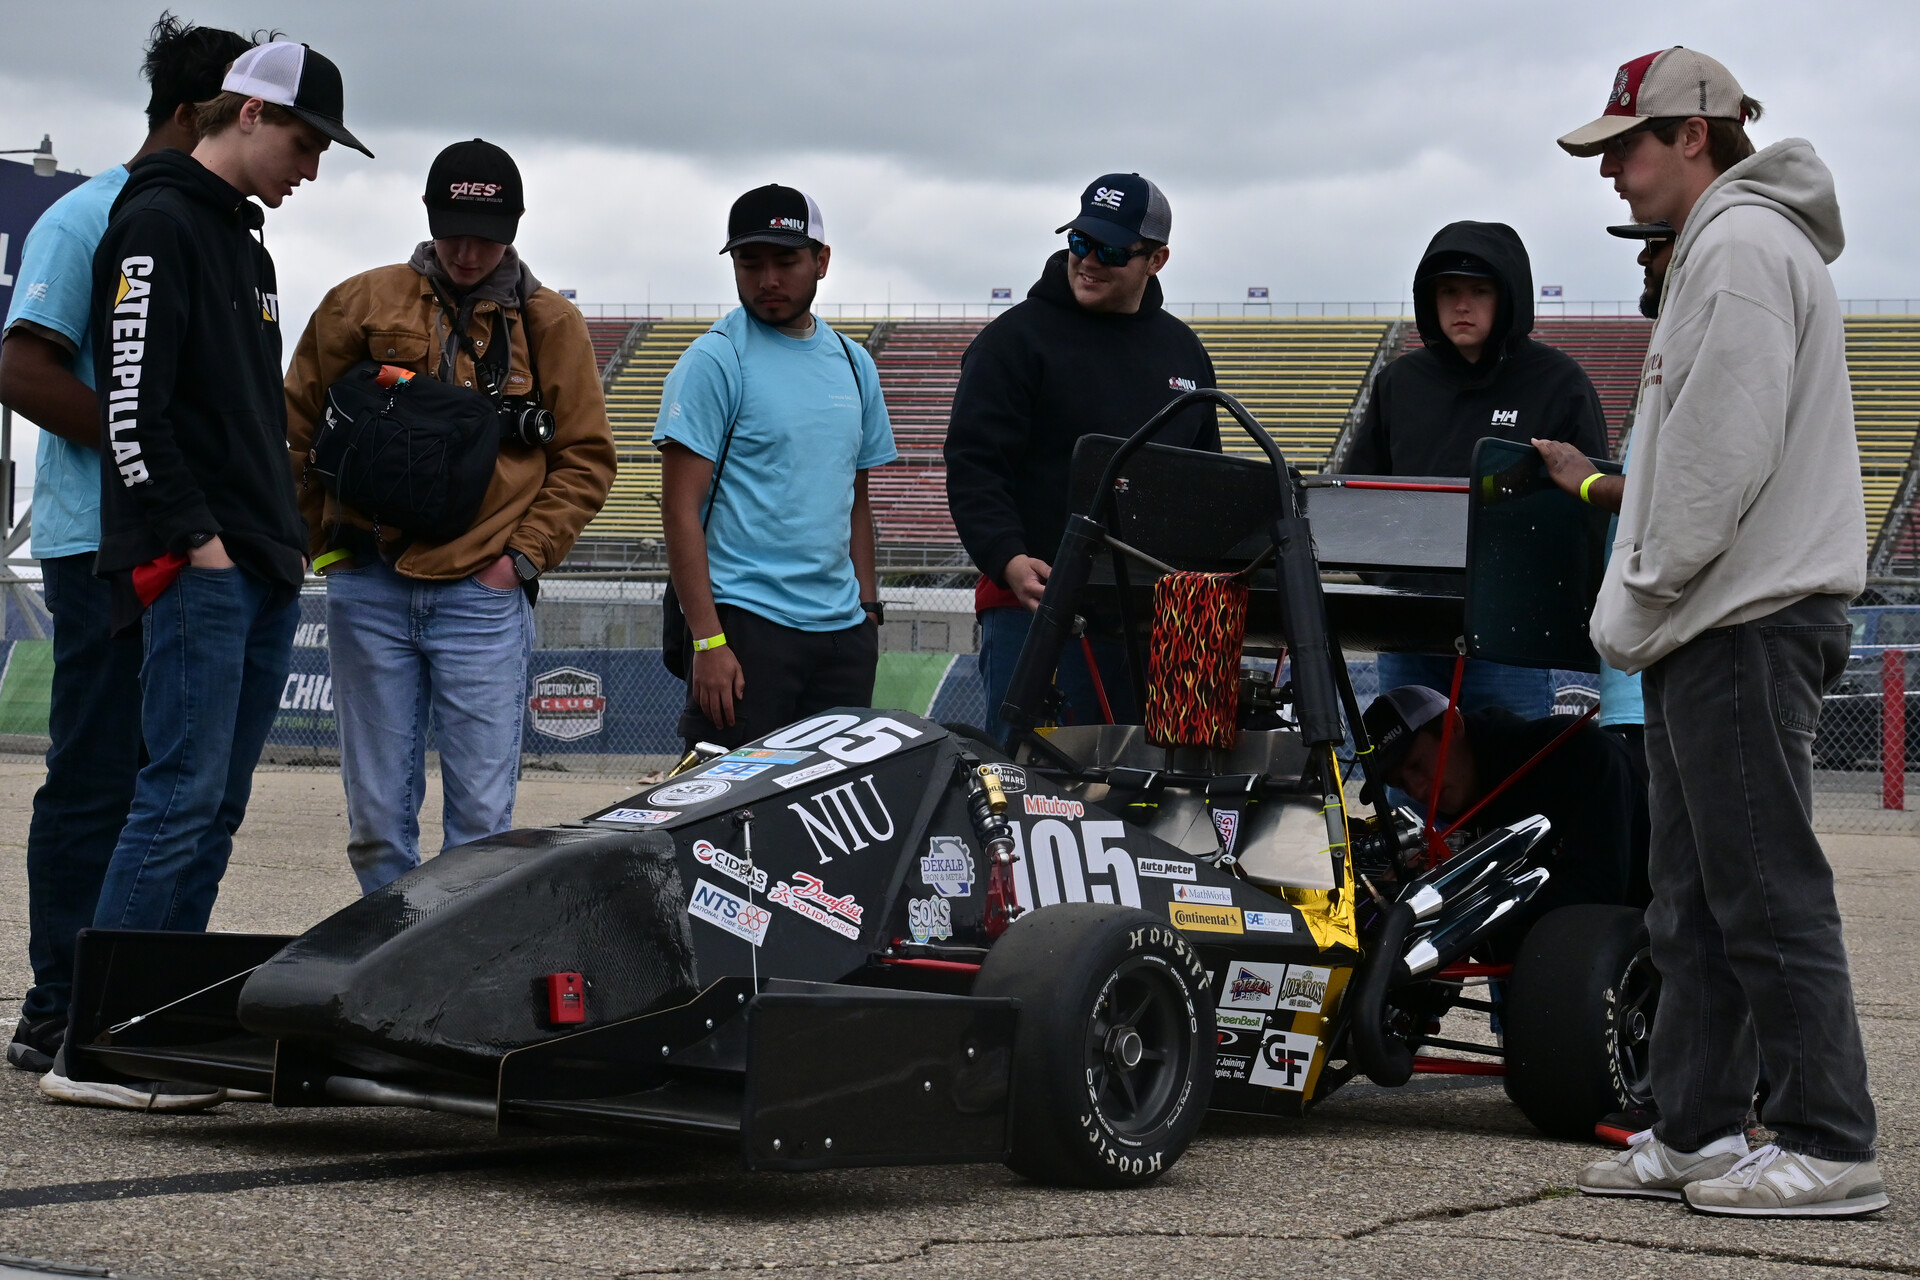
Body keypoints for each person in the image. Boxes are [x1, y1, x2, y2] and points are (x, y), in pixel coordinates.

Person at [1557, 48, 1885, 1217]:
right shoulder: (1732, 244)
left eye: (1627, 147)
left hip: (1743, 613)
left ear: (1692, 134)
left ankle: (1831, 1139)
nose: (1615, 175)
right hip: (1725, 613)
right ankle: (1695, 1127)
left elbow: (1713, 458)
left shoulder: (1740, 248)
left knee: (1759, 883)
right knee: (1693, 891)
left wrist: (1633, 595)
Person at [38, 42, 371, 1111]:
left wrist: (274, 546)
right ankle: (93, 1043)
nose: (311, 168)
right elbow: (131, 404)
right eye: (304, 141)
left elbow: (242, 418)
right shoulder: (155, 219)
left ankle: (159, 1026)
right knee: (171, 794)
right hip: (200, 561)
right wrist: (195, 540)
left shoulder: (245, 244)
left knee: (217, 804)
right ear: (242, 112)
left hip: (260, 561)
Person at [0, 14, 258, 1077]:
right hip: (96, 541)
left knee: (182, 788)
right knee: (98, 775)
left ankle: (139, 1001)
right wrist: (140, 452)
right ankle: (57, 1005)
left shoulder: (223, 227)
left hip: (189, 542)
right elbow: (19, 367)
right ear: (205, 112)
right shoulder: (90, 215)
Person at [284, 139, 615, 894]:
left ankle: (463, 984)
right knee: (375, 822)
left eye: (488, 233)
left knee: (482, 827)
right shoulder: (358, 302)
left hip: (482, 595)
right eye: (454, 229)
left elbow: (587, 457)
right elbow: (295, 429)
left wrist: (518, 562)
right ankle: (387, 964)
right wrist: (323, 547)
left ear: (515, 227)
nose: (468, 251)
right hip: (367, 585)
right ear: (430, 218)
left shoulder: (551, 323)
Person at [945, 173, 1218, 744]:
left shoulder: (1184, 351)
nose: (1089, 261)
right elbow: (975, 465)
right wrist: (1009, 559)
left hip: (1153, 621)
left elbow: (1206, 482)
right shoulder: (1012, 341)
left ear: (1157, 260)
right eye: (1079, 242)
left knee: (1148, 798)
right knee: (1033, 794)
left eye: (1112, 251)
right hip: (1037, 607)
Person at [655, 184, 895, 749]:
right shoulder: (715, 359)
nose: (767, 280)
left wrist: (867, 610)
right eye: (749, 262)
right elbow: (679, 509)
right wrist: (709, 644)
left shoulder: (855, 365)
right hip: (745, 627)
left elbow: (854, 497)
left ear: (822, 261)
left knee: (836, 822)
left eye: (786, 261)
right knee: (726, 820)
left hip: (841, 635)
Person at [1341, 221, 1607, 721]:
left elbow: (1591, 513)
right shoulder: (1400, 382)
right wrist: (1394, 581)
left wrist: (1537, 593)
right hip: (1410, 627)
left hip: (1513, 631)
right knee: (1407, 782)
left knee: (1513, 779)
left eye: (1479, 291)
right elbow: (1360, 497)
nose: (1462, 306)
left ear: (1507, 297)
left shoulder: (1559, 383)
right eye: (1449, 291)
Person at [1362, 685, 1641, 931]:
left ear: (1453, 726)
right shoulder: (1468, 793)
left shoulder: (1580, 756)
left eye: (1417, 765)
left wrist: (1455, 897)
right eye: (1400, 783)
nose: (1418, 790)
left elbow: (1593, 902)